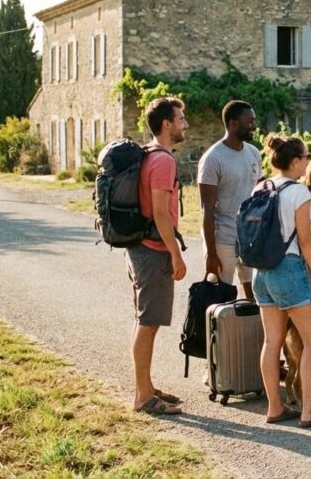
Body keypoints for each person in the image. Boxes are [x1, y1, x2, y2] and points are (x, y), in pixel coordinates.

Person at [253, 135, 311, 428]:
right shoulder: (299, 194)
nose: (308, 162)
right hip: (289, 270)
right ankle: (310, 412)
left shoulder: (262, 186)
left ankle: (275, 408)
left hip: (261, 272)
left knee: (272, 341)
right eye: (305, 158)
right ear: (295, 162)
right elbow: (305, 241)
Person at [128, 96, 188, 415]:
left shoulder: (148, 154)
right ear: (167, 124)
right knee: (148, 323)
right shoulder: (163, 160)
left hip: (142, 247)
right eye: (180, 119)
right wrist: (175, 255)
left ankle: (147, 388)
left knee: (146, 321)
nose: (185, 124)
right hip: (154, 251)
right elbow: (162, 214)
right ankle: (142, 396)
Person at [197, 100, 261, 299]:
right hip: (223, 238)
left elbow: (257, 195)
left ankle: (253, 330)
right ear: (233, 124)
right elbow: (206, 211)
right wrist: (211, 253)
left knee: (255, 295)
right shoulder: (212, 159)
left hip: (250, 237)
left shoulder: (254, 154)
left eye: (254, 121)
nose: (254, 126)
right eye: (249, 121)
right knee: (222, 297)